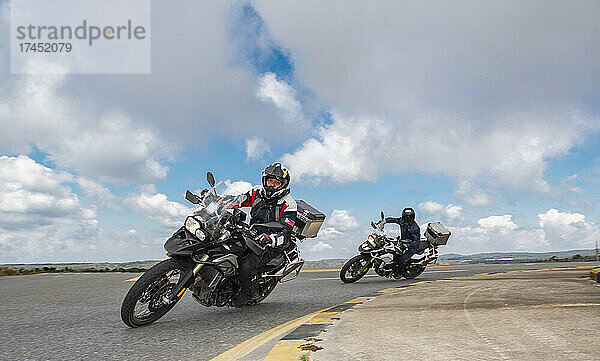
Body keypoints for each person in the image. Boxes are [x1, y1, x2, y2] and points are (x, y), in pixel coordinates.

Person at [233, 162, 297, 306]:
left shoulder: (288, 203)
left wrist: (271, 239)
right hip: (251, 235)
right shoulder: (257, 193)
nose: (271, 185)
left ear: (283, 185)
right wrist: (216, 201)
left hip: (270, 243)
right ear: (264, 180)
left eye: (276, 182)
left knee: (246, 265)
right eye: (269, 181)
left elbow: (287, 232)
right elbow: (238, 200)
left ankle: (249, 294)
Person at [383, 208, 420, 277]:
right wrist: (385, 221)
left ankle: (401, 272)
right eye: (406, 216)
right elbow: (394, 220)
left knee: (402, 260)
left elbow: (417, 242)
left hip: (412, 247)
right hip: (403, 242)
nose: (408, 218)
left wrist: (407, 245)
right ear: (404, 216)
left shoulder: (415, 228)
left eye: (409, 216)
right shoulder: (402, 221)